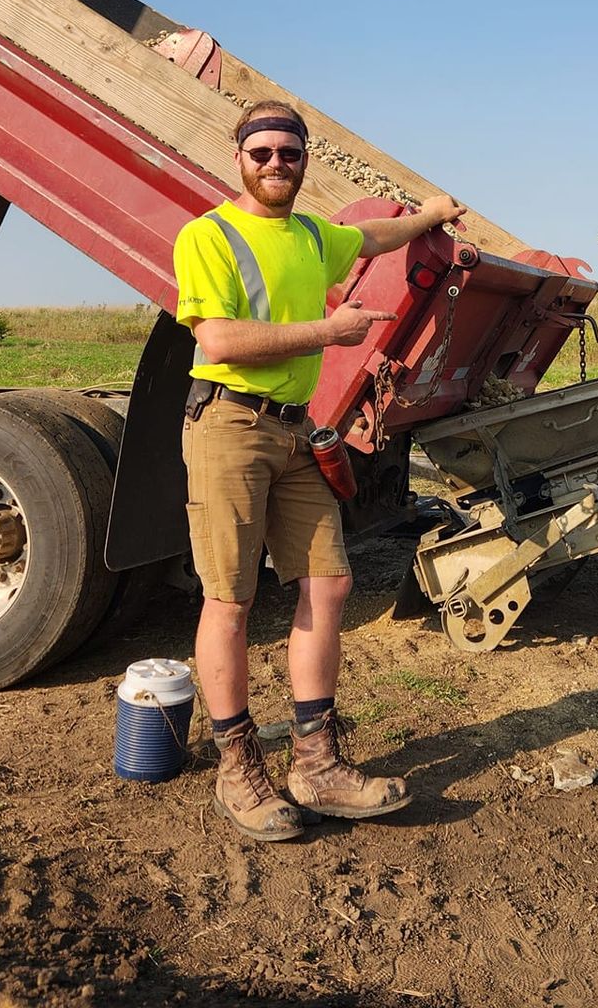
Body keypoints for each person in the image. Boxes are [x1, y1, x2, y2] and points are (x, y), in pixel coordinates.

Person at [173, 99, 466, 841]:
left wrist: (426, 215)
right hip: (229, 426)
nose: (276, 163)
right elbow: (221, 337)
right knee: (230, 600)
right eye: (262, 152)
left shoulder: (309, 233)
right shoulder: (208, 235)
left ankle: (317, 765)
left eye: (290, 153)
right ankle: (237, 768)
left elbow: (369, 235)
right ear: (238, 157)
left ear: (306, 160)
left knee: (329, 582)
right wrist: (328, 332)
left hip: (295, 430)